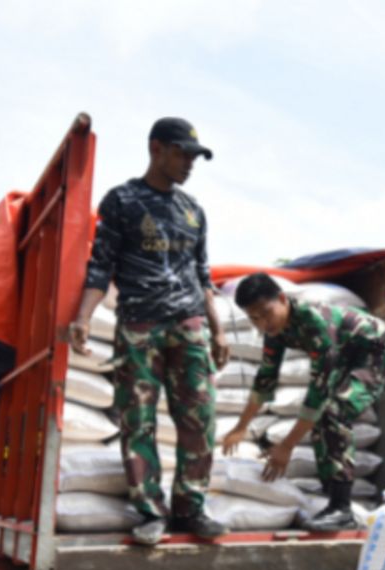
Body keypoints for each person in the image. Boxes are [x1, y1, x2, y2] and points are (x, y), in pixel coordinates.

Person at [71, 117, 229, 543]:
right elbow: (100, 265)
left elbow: (202, 273)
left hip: (189, 326)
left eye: (195, 157)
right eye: (182, 153)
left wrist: (216, 330)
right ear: (156, 148)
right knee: (137, 421)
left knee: (200, 417)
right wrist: (84, 317)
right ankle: (150, 511)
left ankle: (191, 508)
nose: (189, 164)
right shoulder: (122, 201)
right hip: (140, 325)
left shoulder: (193, 210)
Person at [221, 273, 385, 531]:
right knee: (319, 418)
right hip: (346, 354)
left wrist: (286, 447)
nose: (262, 323)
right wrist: (241, 426)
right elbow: (265, 378)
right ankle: (331, 491)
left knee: (332, 411)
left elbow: (318, 394)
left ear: (282, 299)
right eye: (254, 318)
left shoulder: (315, 323)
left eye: (265, 312)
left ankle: (342, 509)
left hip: (377, 353)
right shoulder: (274, 331)